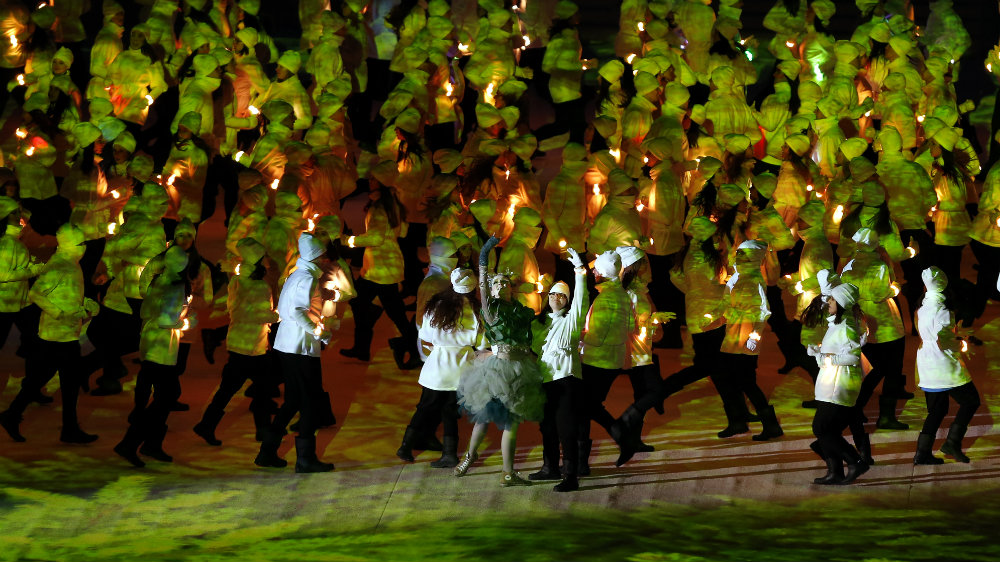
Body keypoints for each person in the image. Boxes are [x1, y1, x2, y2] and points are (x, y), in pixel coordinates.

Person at [454, 235, 546, 486]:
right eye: (497, 283)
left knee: (512, 422)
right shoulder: (491, 309)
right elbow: (482, 286)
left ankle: (508, 472)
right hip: (497, 370)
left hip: (520, 369)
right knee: (484, 417)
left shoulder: (519, 310)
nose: (502, 285)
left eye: (506, 282)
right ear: (491, 289)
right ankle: (469, 457)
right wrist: (485, 252)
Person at [0, 224, 99, 444]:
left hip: (64, 334)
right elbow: (36, 292)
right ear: (71, 245)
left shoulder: (70, 263)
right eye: (81, 243)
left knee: (47, 380)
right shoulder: (61, 266)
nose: (84, 248)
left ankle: (15, 415)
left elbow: (68, 293)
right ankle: (65, 428)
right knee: (61, 382)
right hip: (58, 336)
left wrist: (85, 304)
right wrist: (60, 313)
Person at [254, 233, 335, 473]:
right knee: (309, 402)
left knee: (292, 401)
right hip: (300, 347)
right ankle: (305, 457)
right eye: (323, 256)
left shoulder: (297, 275)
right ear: (317, 257)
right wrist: (318, 331)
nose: (325, 260)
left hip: (287, 345)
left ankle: (267, 451)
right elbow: (299, 311)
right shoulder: (307, 278)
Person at [193, 238, 280, 446]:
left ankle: (208, 424)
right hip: (253, 347)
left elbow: (237, 310)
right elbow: (261, 315)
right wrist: (278, 315)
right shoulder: (259, 287)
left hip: (238, 342)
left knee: (231, 389)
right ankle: (263, 430)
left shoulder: (236, 281)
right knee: (261, 391)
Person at [114, 245, 192, 467]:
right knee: (166, 395)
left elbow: (147, 311)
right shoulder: (175, 286)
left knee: (165, 394)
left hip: (150, 343)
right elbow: (166, 320)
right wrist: (186, 322)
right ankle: (131, 442)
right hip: (161, 347)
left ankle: (151, 443)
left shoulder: (159, 280)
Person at [397, 268, 482, 467]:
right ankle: (449, 454)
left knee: (425, 407)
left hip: (437, 367)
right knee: (450, 412)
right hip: (461, 368)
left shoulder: (437, 305)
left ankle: (406, 446)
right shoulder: (475, 309)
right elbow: (481, 341)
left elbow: (425, 335)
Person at [530, 248, 588, 492]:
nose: (556, 298)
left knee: (566, 429)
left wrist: (580, 270)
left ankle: (571, 474)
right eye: (552, 294)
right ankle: (549, 467)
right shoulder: (537, 323)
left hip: (566, 381)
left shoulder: (570, 322)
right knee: (547, 426)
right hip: (545, 381)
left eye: (562, 296)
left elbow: (581, 299)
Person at [913, 267, 981, 464]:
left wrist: (954, 332)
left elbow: (928, 334)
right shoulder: (942, 310)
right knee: (971, 401)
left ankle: (922, 453)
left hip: (926, 361)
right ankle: (952, 443)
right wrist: (961, 343)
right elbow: (943, 340)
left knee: (937, 410)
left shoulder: (921, 307)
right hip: (943, 364)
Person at [806, 282, 870, 485]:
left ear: (842, 302)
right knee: (828, 430)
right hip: (830, 383)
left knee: (821, 427)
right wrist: (818, 354)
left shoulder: (847, 327)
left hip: (838, 386)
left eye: (833, 298)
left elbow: (852, 357)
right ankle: (835, 472)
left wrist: (826, 359)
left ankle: (855, 461)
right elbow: (834, 354)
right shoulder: (837, 324)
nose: (829, 301)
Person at [577, 249, 633, 475]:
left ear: (604, 272)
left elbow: (597, 336)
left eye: (596, 268)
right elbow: (629, 327)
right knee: (589, 406)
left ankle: (582, 462)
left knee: (583, 408)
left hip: (597, 361)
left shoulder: (606, 299)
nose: (593, 271)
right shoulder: (621, 295)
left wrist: (576, 336)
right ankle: (582, 463)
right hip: (611, 360)